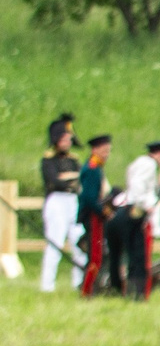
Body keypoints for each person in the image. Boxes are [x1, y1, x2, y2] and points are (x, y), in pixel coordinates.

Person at [102, 139, 160, 299]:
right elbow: (138, 186)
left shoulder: (139, 162)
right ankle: (138, 293)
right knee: (139, 256)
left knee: (121, 255)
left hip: (123, 212)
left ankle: (119, 290)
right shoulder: (149, 165)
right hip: (135, 213)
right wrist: (146, 205)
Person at [37, 122, 85, 293]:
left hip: (72, 200)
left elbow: (80, 179)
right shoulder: (48, 159)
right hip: (56, 201)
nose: (67, 143)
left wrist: (68, 178)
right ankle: (47, 285)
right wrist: (69, 179)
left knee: (79, 241)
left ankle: (78, 282)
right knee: (55, 242)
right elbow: (54, 181)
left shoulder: (73, 160)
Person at [75, 134, 114, 297]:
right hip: (93, 217)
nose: (106, 154)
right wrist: (105, 212)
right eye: (104, 151)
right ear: (95, 150)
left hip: (94, 215)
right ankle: (88, 290)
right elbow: (90, 198)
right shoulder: (92, 169)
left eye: (108, 151)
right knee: (96, 255)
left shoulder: (96, 167)